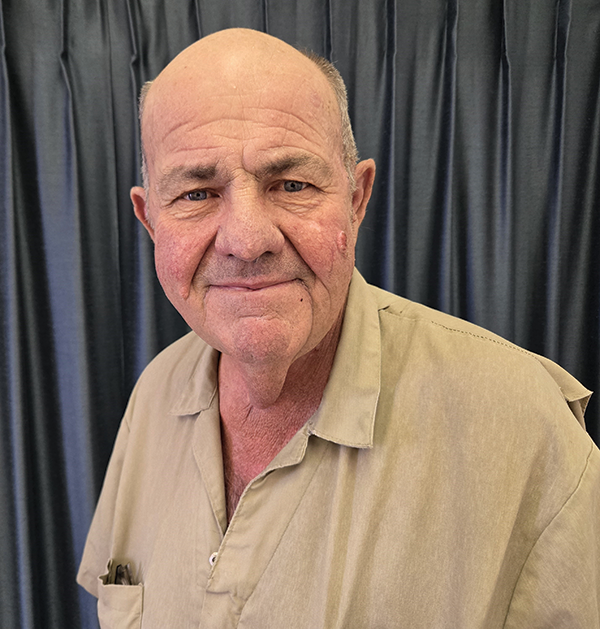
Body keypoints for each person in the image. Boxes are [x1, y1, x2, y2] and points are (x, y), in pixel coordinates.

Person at [77, 28, 600, 628]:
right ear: (151, 221)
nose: (247, 241)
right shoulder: (153, 394)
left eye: (291, 185)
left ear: (356, 198)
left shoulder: (523, 425)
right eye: (197, 194)